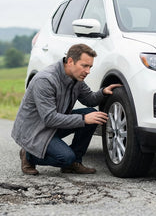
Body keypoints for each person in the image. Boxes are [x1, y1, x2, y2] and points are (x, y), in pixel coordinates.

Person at [11, 44, 121, 175]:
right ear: (70, 61)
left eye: (90, 67)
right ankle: (28, 155)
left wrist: (103, 92)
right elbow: (49, 119)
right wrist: (83, 119)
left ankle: (74, 163)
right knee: (66, 157)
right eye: (84, 66)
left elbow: (89, 99)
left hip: (54, 125)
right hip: (36, 131)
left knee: (92, 113)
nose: (88, 71)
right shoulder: (45, 80)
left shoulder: (76, 78)